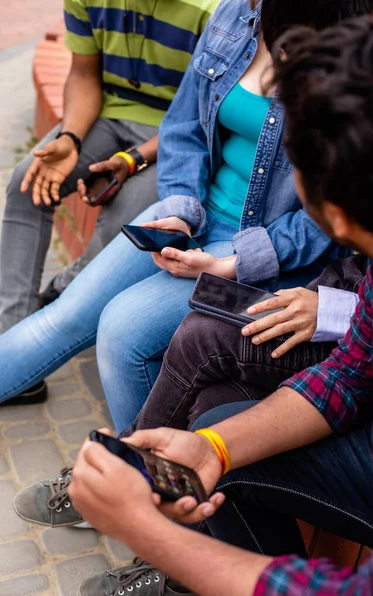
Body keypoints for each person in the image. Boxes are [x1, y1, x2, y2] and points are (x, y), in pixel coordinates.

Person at [66, 14, 373, 596]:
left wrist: (156, 534)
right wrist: (213, 451)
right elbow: (348, 376)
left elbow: (372, 590)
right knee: (217, 423)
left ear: (335, 217)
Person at [0, 0, 352, 424]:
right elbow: (183, 128)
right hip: (198, 214)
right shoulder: (234, 14)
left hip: (268, 245)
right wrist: (180, 210)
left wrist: (235, 263)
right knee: (66, 315)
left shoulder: (346, 44)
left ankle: (144, 475)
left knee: (121, 332)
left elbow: (337, 209)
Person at [0, 0, 218, 402]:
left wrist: (130, 160)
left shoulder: (208, 9)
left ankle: (61, 295)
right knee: (25, 182)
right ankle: (14, 336)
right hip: (106, 116)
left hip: (171, 137)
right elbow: (82, 74)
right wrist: (70, 138)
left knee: (129, 213)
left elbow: (196, 120)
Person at [133, 254, 366, 432]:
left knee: (200, 333)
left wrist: (331, 310)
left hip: (350, 330)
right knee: (211, 403)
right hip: (337, 284)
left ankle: (134, 458)